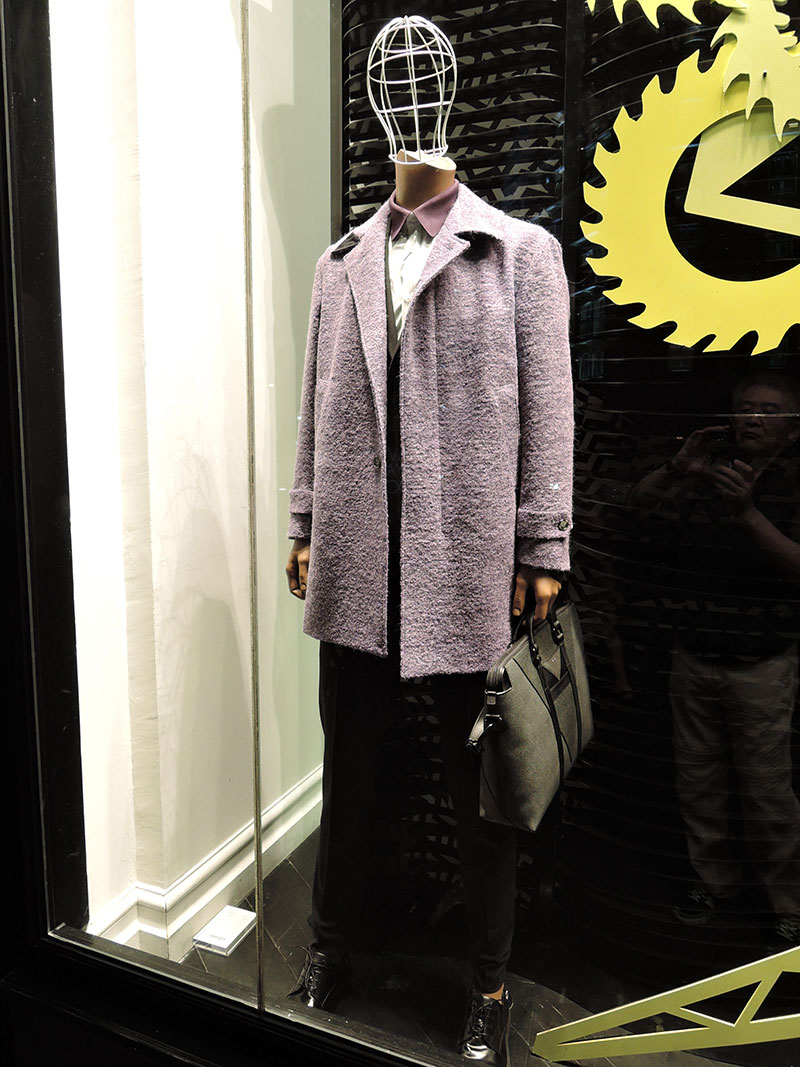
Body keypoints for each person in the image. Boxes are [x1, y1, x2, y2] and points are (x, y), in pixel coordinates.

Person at [283, 17, 573, 1064]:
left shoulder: (518, 253)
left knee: (481, 792)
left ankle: (489, 984)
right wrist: (304, 519)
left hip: (465, 565)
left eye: (426, 78)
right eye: (389, 81)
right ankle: (330, 945)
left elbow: (549, 407)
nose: (408, 96)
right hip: (360, 559)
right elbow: (317, 405)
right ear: (373, 105)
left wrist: (542, 543)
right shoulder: (341, 263)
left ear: (452, 95)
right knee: (349, 772)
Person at [629, 371, 800, 946]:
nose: (753, 418)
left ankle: (789, 905)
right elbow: (633, 509)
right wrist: (679, 468)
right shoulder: (708, 469)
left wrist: (748, 512)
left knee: (767, 792)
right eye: (746, 407)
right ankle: (714, 884)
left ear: (793, 428)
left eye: (769, 410)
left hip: (762, 663)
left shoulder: (792, 481)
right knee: (698, 782)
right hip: (694, 653)